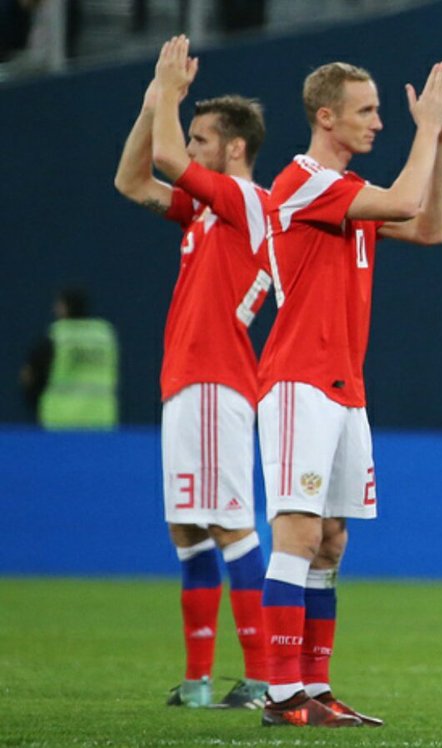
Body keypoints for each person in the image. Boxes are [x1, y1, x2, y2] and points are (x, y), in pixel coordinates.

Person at [254, 59, 442, 728]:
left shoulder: (346, 191)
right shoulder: (303, 182)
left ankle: (314, 688)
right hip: (299, 381)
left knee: (331, 539)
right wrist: (425, 130)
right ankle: (280, 694)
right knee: (298, 532)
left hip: (345, 387)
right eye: (366, 110)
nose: (379, 121)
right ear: (326, 117)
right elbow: (404, 201)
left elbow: (430, 226)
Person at [113, 35, 272, 709]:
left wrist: (171, 94)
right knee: (188, 529)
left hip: (216, 379)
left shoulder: (246, 202)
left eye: (202, 140)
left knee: (231, 523)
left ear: (233, 148)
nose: (190, 148)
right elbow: (131, 180)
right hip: (186, 382)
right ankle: (199, 680)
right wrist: (157, 101)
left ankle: (262, 676)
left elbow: (166, 160)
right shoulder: (209, 211)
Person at [20, 287, 119, 430]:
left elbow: (29, 375)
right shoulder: (103, 336)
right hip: (100, 419)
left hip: (60, 421)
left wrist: (33, 401)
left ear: (64, 307)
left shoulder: (58, 336)